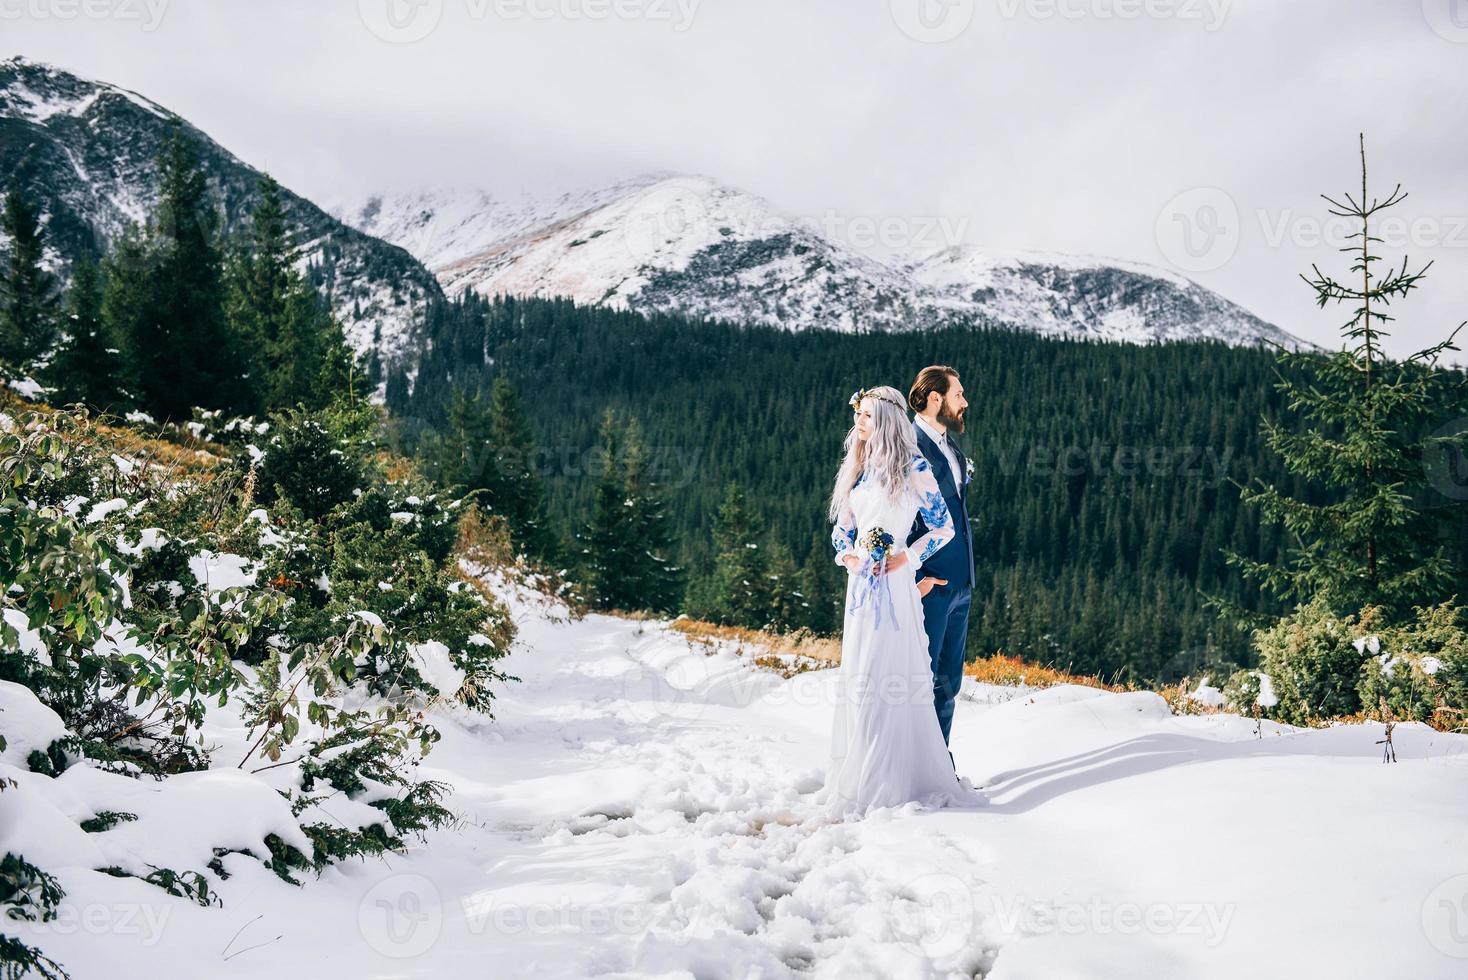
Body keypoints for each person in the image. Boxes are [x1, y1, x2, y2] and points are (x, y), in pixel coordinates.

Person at [819, 385, 986, 819]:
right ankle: (859, 770)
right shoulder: (856, 468)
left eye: (868, 417)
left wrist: (903, 558)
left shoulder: (913, 467)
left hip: (894, 586)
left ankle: (890, 777)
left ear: (888, 422)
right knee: (860, 675)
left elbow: (943, 527)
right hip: (860, 588)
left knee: (888, 676)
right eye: (858, 415)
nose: (859, 423)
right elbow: (842, 529)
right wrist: (850, 555)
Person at [907, 365, 974, 762]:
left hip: (961, 583)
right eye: (958, 394)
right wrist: (918, 578)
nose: (964, 402)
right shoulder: (909, 446)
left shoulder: (953, 449)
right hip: (928, 583)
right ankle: (915, 763)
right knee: (919, 679)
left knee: (949, 683)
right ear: (936, 399)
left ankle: (938, 760)